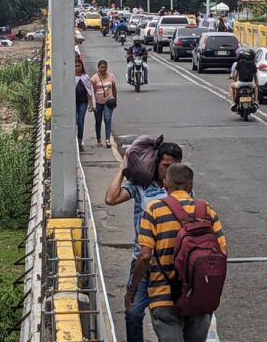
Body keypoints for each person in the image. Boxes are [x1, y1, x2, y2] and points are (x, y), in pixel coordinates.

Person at [127, 164, 227, 342]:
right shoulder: (206, 210)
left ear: (165, 184)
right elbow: (223, 253)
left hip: (164, 296)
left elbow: (145, 256)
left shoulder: (154, 209)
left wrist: (132, 289)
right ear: (191, 186)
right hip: (199, 295)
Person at [106, 143, 184, 342]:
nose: (168, 171)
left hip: (171, 263)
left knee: (170, 317)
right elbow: (111, 199)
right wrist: (123, 168)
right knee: (133, 312)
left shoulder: (182, 191)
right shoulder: (141, 186)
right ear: (157, 163)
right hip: (143, 260)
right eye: (165, 166)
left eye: (173, 167)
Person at [91, 60, 117, 147]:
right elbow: (92, 91)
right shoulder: (94, 78)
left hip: (109, 101)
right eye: (101, 67)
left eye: (105, 67)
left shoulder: (111, 76)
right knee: (98, 120)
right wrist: (91, 103)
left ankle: (107, 140)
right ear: (98, 68)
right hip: (98, 102)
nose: (103, 69)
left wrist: (115, 100)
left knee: (107, 119)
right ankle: (98, 139)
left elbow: (114, 89)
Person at [75, 58, 94, 151]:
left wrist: (90, 103)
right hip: (73, 103)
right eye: (75, 66)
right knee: (74, 120)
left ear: (82, 67)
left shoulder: (85, 77)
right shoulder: (71, 77)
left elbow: (89, 91)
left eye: (79, 66)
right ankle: (74, 140)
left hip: (83, 102)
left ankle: (79, 141)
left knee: (80, 121)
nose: (77, 68)